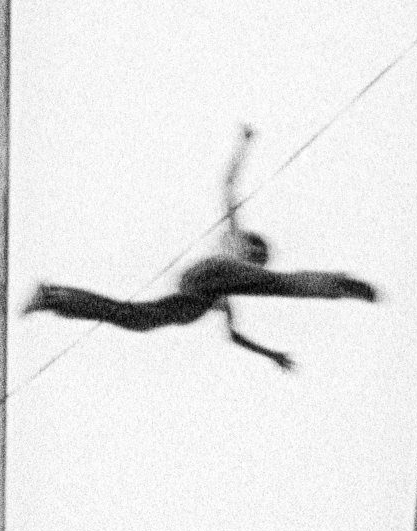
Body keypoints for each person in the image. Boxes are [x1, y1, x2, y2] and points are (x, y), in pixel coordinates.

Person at [21, 126, 376, 370]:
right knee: (279, 283)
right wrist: (245, 144)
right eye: (257, 255)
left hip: (189, 300)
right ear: (249, 246)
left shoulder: (227, 295)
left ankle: (53, 297)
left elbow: (235, 337)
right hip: (205, 277)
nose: (256, 262)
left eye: (258, 260)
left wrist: (272, 355)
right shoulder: (236, 248)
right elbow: (229, 187)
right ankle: (339, 285)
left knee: (131, 318)